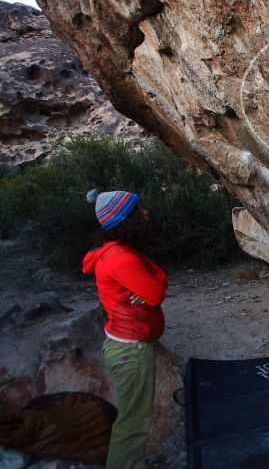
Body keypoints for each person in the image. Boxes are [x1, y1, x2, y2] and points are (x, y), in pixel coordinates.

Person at [82, 189, 168, 469]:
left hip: (127, 345)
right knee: (133, 423)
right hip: (132, 350)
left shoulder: (123, 253)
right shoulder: (121, 258)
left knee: (133, 419)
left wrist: (154, 281)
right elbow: (155, 293)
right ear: (126, 219)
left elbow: (159, 279)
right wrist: (153, 283)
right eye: (139, 211)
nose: (146, 214)